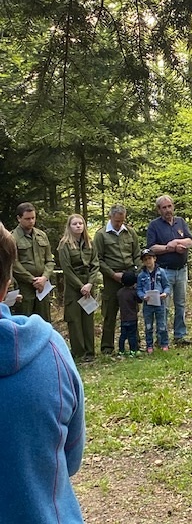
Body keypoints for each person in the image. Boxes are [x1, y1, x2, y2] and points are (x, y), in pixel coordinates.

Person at [0, 221, 85, 523]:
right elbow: (71, 457)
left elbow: (50, 261)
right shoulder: (52, 350)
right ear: (6, 283)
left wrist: (44, 277)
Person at [93, 204, 142, 354]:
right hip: (112, 279)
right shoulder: (101, 235)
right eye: (116, 221)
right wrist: (112, 274)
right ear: (110, 217)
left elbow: (137, 255)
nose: (119, 224)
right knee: (110, 312)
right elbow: (98, 259)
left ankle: (135, 344)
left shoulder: (130, 233)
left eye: (122, 221)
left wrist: (136, 273)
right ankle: (107, 347)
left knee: (131, 311)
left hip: (130, 277)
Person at [146, 195, 192, 346]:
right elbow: (151, 248)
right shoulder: (154, 226)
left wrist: (176, 242)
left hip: (181, 270)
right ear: (159, 210)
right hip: (164, 271)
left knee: (180, 304)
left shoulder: (180, 222)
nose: (167, 210)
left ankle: (180, 335)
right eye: (164, 207)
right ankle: (162, 337)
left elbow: (190, 240)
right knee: (163, 306)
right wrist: (169, 248)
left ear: (173, 206)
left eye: (169, 206)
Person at [57, 214, 100, 362]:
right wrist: (80, 286)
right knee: (74, 320)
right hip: (73, 286)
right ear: (69, 226)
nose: (78, 226)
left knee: (88, 319)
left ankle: (90, 352)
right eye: (75, 224)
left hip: (88, 284)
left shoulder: (89, 243)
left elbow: (95, 264)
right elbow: (67, 269)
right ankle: (79, 352)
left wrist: (90, 283)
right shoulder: (64, 244)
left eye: (80, 223)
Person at [11, 202, 55, 322]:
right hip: (24, 287)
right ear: (19, 218)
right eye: (27, 219)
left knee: (44, 321)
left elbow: (50, 261)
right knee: (25, 321)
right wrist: (33, 280)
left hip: (43, 287)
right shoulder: (12, 238)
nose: (31, 221)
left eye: (33, 218)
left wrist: (44, 278)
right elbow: (14, 263)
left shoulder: (42, 235)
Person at [137, 248, 171, 353]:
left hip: (160, 302)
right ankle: (149, 345)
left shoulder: (161, 272)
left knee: (162, 324)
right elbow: (139, 289)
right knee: (148, 325)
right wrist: (143, 296)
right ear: (143, 262)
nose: (148, 261)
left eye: (150, 258)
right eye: (145, 259)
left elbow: (167, 286)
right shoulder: (141, 275)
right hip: (148, 304)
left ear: (154, 258)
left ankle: (164, 343)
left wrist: (165, 293)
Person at [117, 271, 140, 357]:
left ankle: (121, 351)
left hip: (123, 318)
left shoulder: (119, 292)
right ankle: (133, 350)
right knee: (132, 335)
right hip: (132, 317)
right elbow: (140, 300)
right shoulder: (134, 292)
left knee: (123, 335)